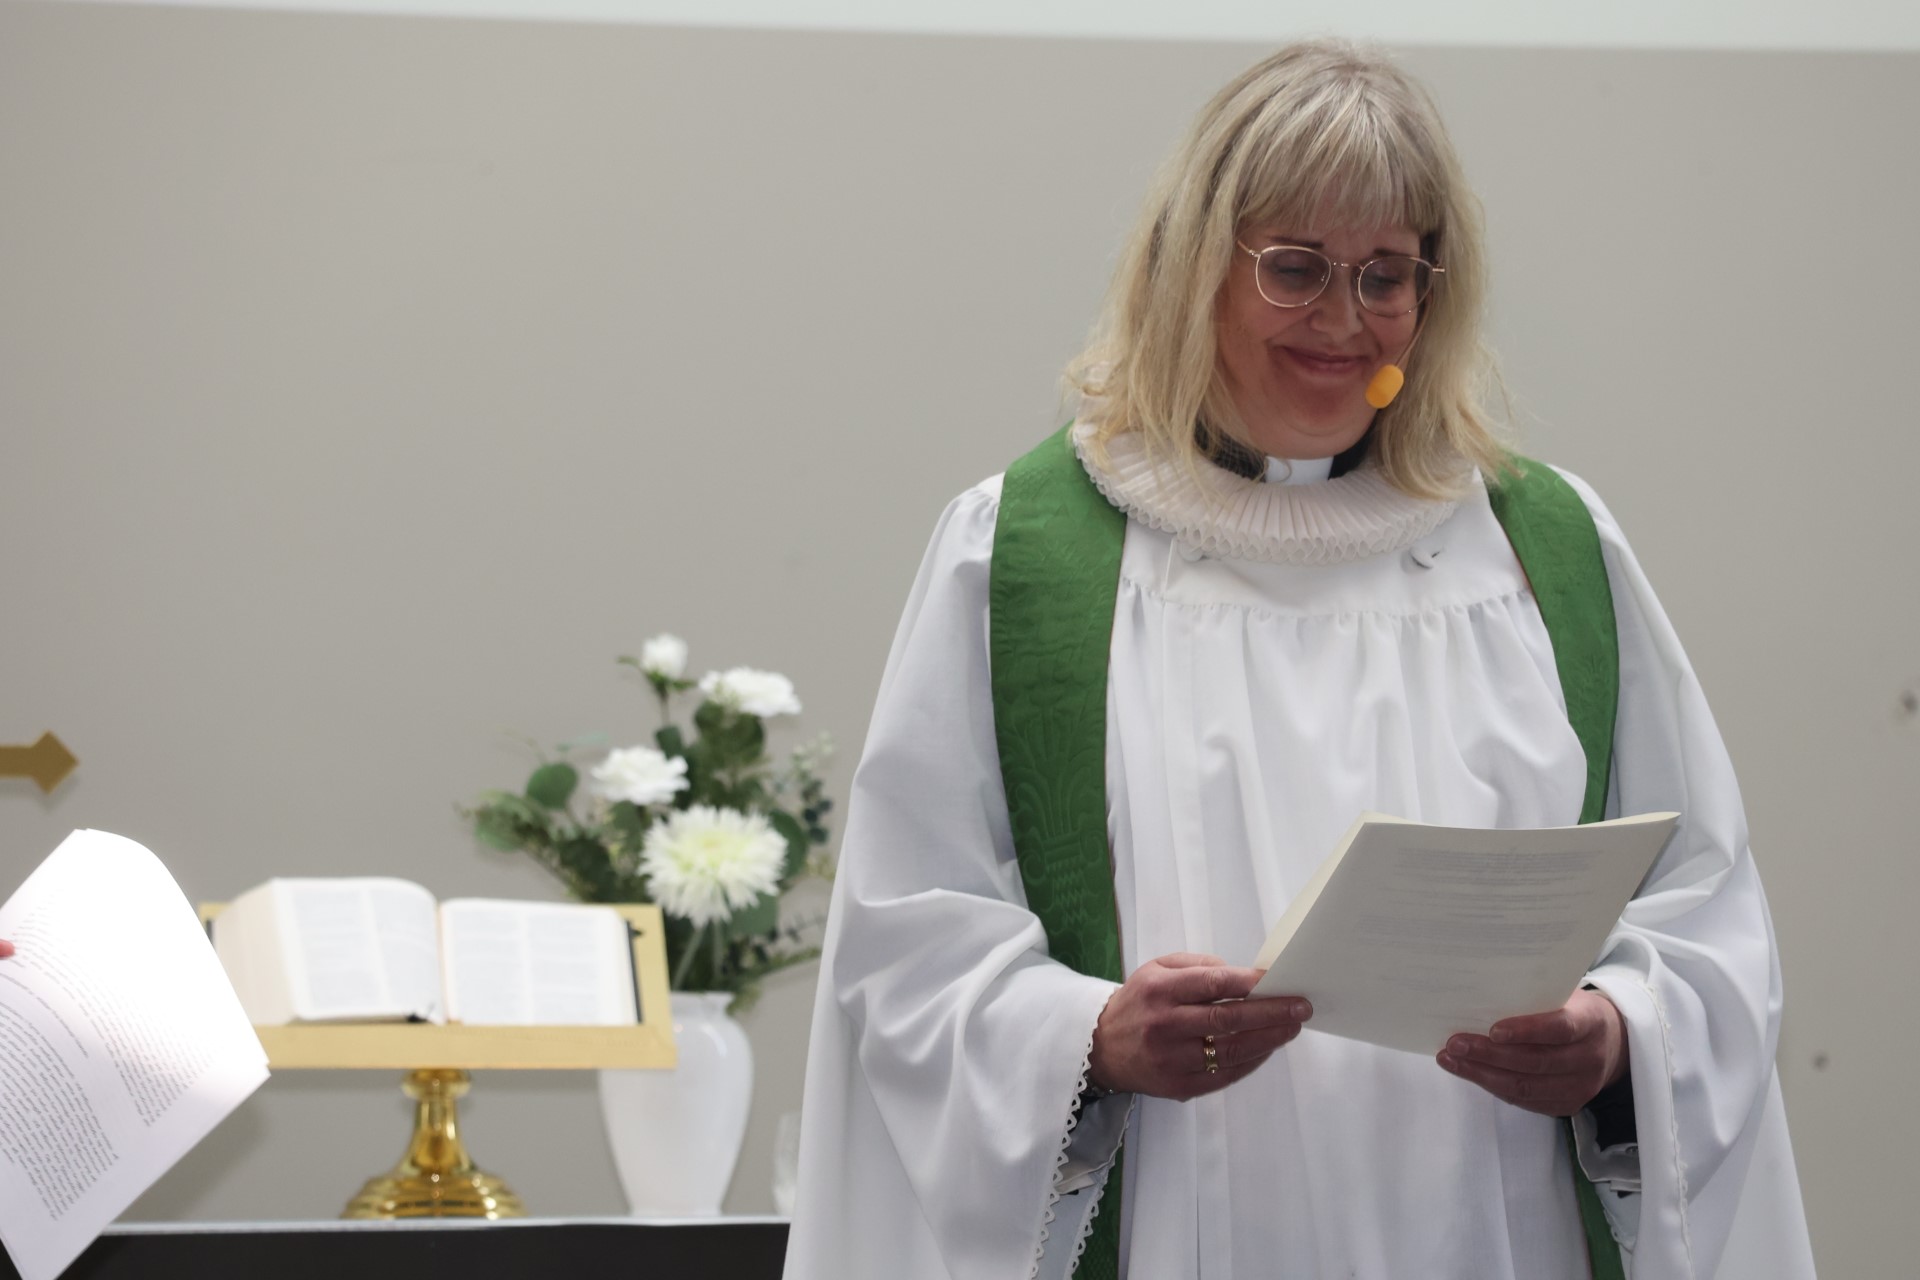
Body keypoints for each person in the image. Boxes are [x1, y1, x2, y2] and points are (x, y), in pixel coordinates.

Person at [783, 40, 1812, 1280]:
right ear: (1191, 272)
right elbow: (907, 942)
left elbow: (1709, 913)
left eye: (1387, 274)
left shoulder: (1544, 552)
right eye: (1294, 266)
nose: (1343, 317)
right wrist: (1092, 1036)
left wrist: (1616, 1036)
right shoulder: (1024, 554)